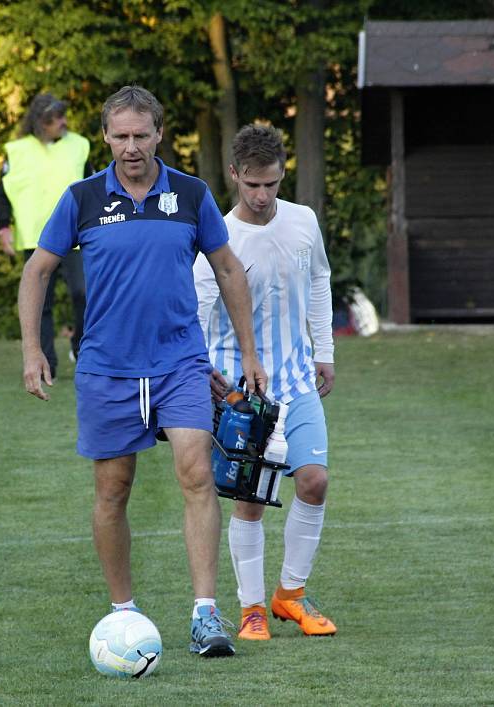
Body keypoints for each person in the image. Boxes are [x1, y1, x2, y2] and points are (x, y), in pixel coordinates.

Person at [18, 86, 267, 657]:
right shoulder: (81, 198)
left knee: (196, 471)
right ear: (105, 137)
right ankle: (123, 615)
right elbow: (37, 273)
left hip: (181, 362)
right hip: (107, 369)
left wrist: (248, 354)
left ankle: (206, 614)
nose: (131, 147)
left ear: (159, 133)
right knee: (113, 489)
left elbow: (228, 270)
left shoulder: (191, 194)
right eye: (120, 135)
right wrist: (33, 350)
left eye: (141, 135)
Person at [193, 124, 337, 641]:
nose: (261, 196)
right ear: (234, 175)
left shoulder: (303, 222)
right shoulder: (218, 239)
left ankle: (290, 596)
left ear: (282, 176)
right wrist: (201, 370)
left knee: (314, 481)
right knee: (251, 501)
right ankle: (252, 607)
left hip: (298, 381)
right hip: (244, 394)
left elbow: (319, 280)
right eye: (252, 185)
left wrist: (325, 351)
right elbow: (197, 313)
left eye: (271, 184)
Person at [0, 93, 91, 377]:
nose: (63, 122)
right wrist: (3, 227)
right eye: (56, 119)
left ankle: (80, 345)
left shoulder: (79, 146)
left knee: (84, 292)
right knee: (41, 304)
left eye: (63, 116)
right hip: (35, 237)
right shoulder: (16, 151)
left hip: (77, 235)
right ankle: (47, 363)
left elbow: (94, 188)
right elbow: (1, 194)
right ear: (40, 122)